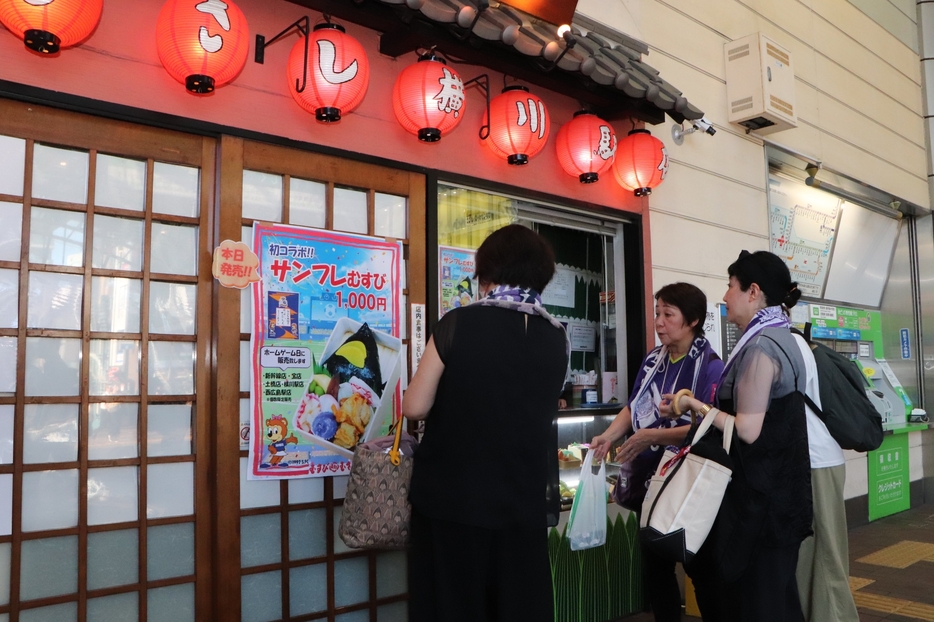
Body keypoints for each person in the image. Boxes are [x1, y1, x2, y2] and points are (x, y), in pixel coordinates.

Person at [403, 224, 569, 622]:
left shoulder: (458, 323)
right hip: (522, 501)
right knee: (515, 605)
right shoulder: (557, 336)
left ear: (488, 271)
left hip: (454, 499)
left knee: (453, 604)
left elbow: (414, 407)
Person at [668, 250, 812, 622]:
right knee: (779, 600)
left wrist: (694, 404)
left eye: (730, 286)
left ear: (753, 291)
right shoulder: (784, 336)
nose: (725, 295)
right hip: (782, 496)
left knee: (758, 602)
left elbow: (747, 429)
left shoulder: (761, 346)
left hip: (762, 502)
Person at [590, 282, 723, 622]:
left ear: (692, 320)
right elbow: (633, 407)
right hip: (650, 482)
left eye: (668, 314)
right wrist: (607, 436)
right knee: (656, 568)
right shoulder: (654, 359)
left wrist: (651, 436)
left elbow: (708, 427)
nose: (659, 322)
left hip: (687, 482)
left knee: (699, 569)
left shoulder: (709, 365)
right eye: (657, 313)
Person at [792, 331, 859, 622]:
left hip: (817, 462)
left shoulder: (790, 346)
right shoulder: (808, 346)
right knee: (816, 551)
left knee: (825, 554)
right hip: (821, 460)